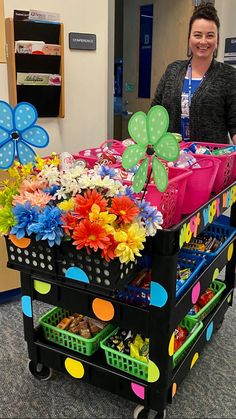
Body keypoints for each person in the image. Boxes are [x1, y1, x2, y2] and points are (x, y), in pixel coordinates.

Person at [151, 2, 236, 145]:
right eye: (198, 35)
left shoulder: (229, 75)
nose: (203, 41)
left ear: (217, 40)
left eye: (210, 35)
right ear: (189, 37)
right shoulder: (173, 70)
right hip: (172, 159)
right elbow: (155, 112)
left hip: (211, 162)